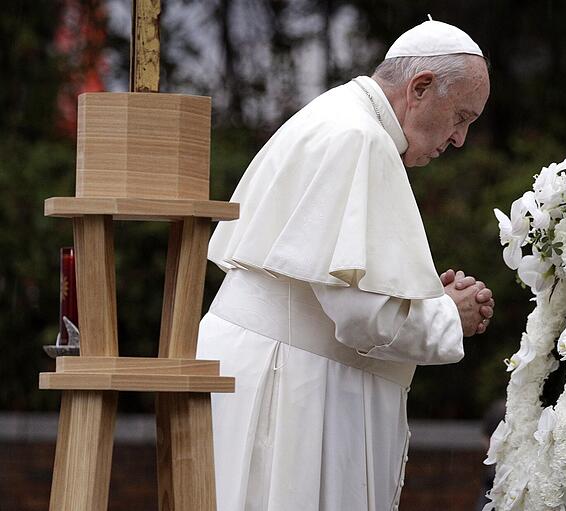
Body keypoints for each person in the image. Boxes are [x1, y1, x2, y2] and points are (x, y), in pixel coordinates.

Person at [196, 17, 494, 511]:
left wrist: (421, 295)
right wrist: (448, 314)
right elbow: (363, 317)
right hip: (289, 385)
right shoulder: (361, 138)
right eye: (460, 116)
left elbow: (340, 285)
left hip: (265, 369)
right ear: (420, 88)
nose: (460, 138)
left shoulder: (335, 114)